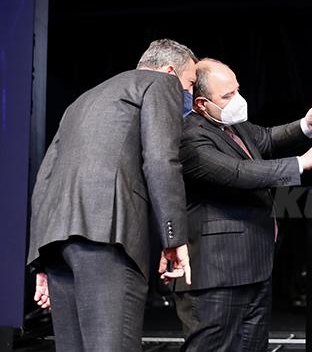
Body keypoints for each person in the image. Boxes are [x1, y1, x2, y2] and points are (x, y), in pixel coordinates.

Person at [27, 38, 197, 351]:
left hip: (56, 244)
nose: (190, 92)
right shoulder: (161, 84)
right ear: (171, 71)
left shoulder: (83, 100)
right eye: (190, 83)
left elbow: (45, 178)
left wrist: (40, 260)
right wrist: (174, 238)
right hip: (106, 237)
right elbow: (161, 161)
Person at [174, 58, 312, 351]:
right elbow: (239, 173)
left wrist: (306, 125)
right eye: (227, 96)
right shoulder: (190, 137)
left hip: (254, 267)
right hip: (217, 273)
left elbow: (267, 139)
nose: (237, 99)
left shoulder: (232, 126)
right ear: (201, 104)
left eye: (237, 90)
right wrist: (301, 163)